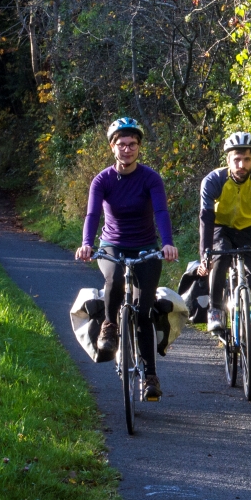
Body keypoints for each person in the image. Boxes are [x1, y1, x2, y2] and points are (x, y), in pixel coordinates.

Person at [75, 117, 178, 401]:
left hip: (146, 247)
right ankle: (109, 325)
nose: (128, 149)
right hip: (112, 246)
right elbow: (93, 215)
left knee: (144, 312)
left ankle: (150, 378)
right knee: (114, 279)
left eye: (133, 144)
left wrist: (167, 243)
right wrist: (86, 244)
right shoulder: (103, 180)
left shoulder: (150, 178)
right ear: (112, 147)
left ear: (139, 148)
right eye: (122, 144)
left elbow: (161, 213)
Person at [197, 131, 251, 369]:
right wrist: (205, 254)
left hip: (248, 230)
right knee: (221, 259)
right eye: (237, 159)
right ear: (228, 160)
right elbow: (205, 218)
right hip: (220, 229)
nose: (241, 165)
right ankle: (215, 309)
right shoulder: (213, 180)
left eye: (247, 159)